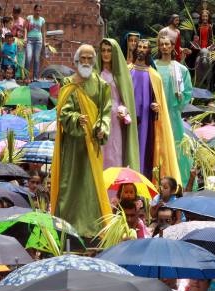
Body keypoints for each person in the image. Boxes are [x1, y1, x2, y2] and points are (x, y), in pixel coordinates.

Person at [50, 44, 112, 240]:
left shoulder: (102, 85)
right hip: (71, 146)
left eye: (89, 58)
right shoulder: (68, 84)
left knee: (91, 187)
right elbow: (62, 112)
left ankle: (91, 230)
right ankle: (67, 228)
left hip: (91, 145)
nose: (86, 62)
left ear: (94, 61)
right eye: (82, 58)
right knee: (69, 186)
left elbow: (105, 113)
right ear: (76, 61)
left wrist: (102, 128)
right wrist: (77, 119)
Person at [129, 40, 180, 181]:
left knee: (145, 151)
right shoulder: (127, 71)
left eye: (144, 47)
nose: (141, 49)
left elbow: (159, 101)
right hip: (128, 120)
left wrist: (157, 107)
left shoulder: (154, 75)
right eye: (139, 46)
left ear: (148, 51)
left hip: (147, 121)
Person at [155, 35, 194, 188]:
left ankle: (180, 182)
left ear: (172, 47)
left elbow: (187, 92)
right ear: (159, 47)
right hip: (156, 115)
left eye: (167, 44)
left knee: (176, 147)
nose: (165, 47)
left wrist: (180, 99)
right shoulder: (153, 67)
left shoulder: (180, 69)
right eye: (162, 44)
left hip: (173, 115)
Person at [95, 38, 139, 170]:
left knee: (116, 152)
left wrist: (124, 110)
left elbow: (126, 100)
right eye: (103, 50)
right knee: (101, 153)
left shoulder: (121, 75)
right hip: (100, 117)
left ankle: (115, 188)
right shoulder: (96, 75)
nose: (106, 54)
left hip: (116, 120)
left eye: (109, 50)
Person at [25, 4, 46, 80]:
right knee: (28, 57)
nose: (38, 12)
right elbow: (25, 28)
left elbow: (43, 32)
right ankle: (26, 77)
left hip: (38, 41)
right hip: (29, 40)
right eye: (36, 10)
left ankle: (35, 77)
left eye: (39, 11)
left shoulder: (42, 20)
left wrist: (44, 42)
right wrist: (25, 38)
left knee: (37, 59)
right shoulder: (29, 18)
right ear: (34, 10)